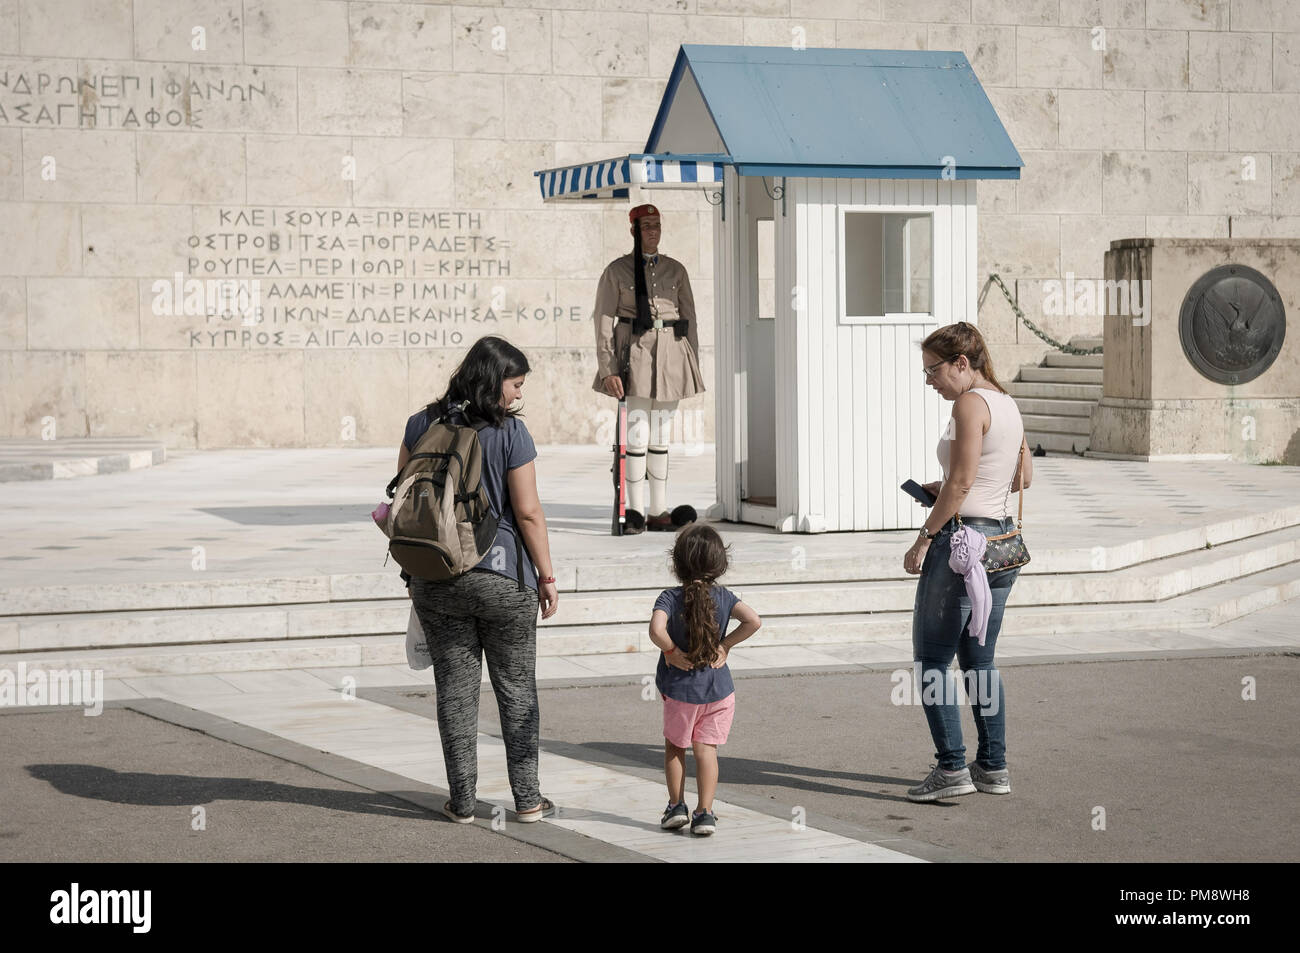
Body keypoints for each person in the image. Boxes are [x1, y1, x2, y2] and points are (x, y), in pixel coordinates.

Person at [397, 336, 560, 824]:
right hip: (502, 575)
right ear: (494, 381)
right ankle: (528, 801)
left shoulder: (420, 422)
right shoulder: (511, 433)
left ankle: (462, 802)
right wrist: (547, 576)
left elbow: (405, 503)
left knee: (455, 690)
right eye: (515, 385)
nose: (517, 396)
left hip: (436, 574)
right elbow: (528, 513)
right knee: (515, 688)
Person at [901, 321, 1032, 803]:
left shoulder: (969, 403)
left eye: (934, 370)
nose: (930, 380)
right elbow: (1023, 477)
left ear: (962, 363)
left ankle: (952, 767)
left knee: (932, 660)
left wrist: (923, 538)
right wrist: (963, 489)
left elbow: (959, 484)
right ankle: (993, 767)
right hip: (1000, 543)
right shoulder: (1006, 401)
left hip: (961, 545)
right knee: (980, 660)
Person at [592, 203, 705, 534]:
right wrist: (608, 368)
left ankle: (658, 509)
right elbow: (602, 320)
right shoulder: (617, 271)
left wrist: (692, 363)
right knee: (637, 433)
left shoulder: (676, 269)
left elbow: (690, 318)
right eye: (646, 226)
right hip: (636, 352)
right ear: (633, 231)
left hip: (672, 353)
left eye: (657, 225)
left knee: (661, 434)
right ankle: (635, 511)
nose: (653, 231)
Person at [648, 523, 761, 835]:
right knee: (706, 750)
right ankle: (705, 813)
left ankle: (675, 807)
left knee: (675, 747)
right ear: (720, 563)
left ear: (678, 562)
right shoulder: (724, 597)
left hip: (680, 689)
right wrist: (725, 645)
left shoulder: (670, 597)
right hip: (719, 690)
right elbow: (754, 620)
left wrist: (671, 651)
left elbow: (656, 630)